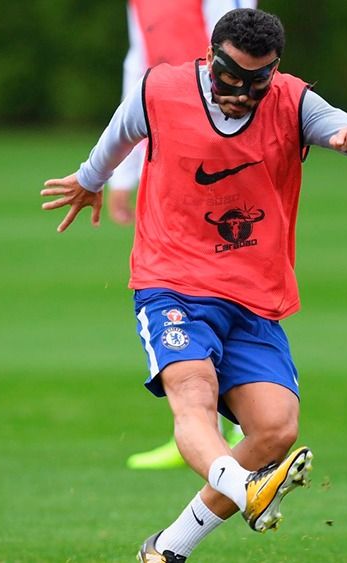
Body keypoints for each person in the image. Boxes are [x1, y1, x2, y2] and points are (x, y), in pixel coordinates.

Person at [41, 8, 347, 561]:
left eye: (257, 80)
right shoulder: (160, 90)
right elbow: (121, 132)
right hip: (172, 282)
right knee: (193, 396)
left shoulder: (293, 102)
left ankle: (167, 548)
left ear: (274, 70)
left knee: (276, 429)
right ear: (210, 58)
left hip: (253, 295)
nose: (242, 92)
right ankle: (244, 488)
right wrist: (89, 179)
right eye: (231, 77)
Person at [116, 0, 256, 471]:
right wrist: (123, 171)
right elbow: (139, 63)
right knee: (179, 279)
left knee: (232, 267)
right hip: (169, 147)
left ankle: (246, 426)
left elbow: (241, 54)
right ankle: (201, 427)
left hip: (222, 149)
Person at [108, 0, 258, 226]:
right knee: (164, 238)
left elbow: (238, 56)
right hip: (160, 138)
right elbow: (138, 68)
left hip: (214, 139)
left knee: (221, 235)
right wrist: (122, 175)